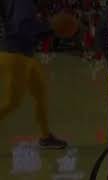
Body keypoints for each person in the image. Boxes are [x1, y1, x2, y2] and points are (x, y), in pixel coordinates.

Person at [0, 0, 67, 149]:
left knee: (40, 93)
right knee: (12, 102)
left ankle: (45, 137)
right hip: (15, 54)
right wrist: (50, 27)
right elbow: (22, 27)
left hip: (24, 54)